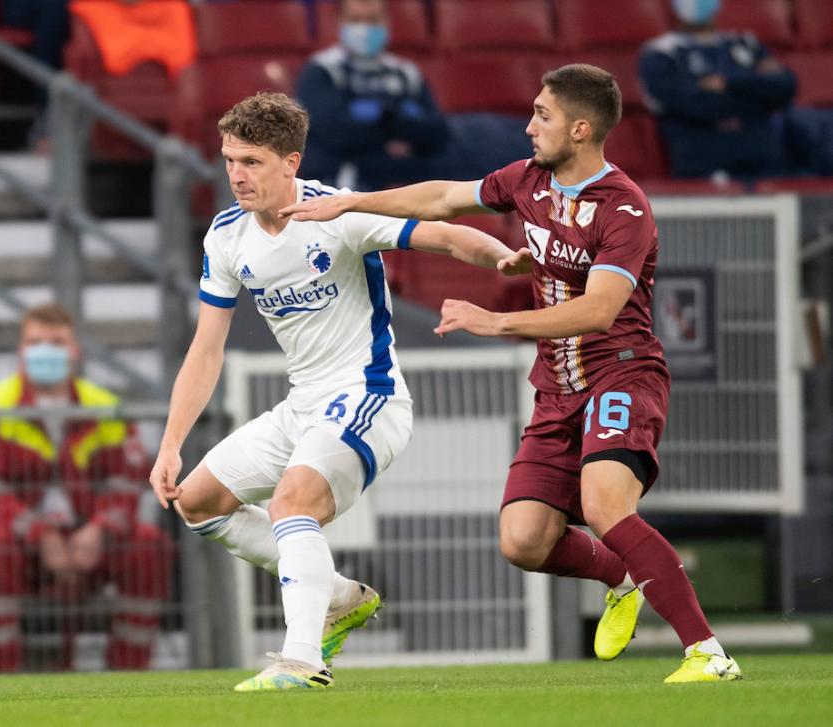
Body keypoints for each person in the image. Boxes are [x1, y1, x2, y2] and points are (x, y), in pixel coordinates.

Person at [281, 64, 742, 684]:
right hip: (556, 389)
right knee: (523, 542)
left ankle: (708, 653)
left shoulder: (625, 208)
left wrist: (496, 322)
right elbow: (443, 197)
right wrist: (351, 203)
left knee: (605, 504)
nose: (529, 126)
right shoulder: (529, 180)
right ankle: (621, 575)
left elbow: (600, 310)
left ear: (580, 130)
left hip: (621, 374)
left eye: (543, 115)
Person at [148, 92, 528, 691]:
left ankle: (302, 661)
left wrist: (505, 258)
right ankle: (340, 596)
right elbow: (206, 349)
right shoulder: (226, 236)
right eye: (229, 160)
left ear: (290, 163)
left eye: (251, 162)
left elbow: (446, 236)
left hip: (368, 395)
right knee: (196, 501)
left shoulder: (338, 214)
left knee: (292, 504)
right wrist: (171, 444)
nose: (236, 175)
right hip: (302, 405)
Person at [0, 303, 173, 672]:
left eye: (56, 343)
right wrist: (38, 533)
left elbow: (126, 480)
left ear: (75, 350)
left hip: (90, 537)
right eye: (35, 342)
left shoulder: (105, 406)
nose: (45, 351)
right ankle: (0, 678)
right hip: (18, 541)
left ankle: (129, 675)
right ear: (20, 351)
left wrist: (100, 529)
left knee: (149, 545)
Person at [296, 0, 448, 192]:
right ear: (339, 21)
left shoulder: (406, 73)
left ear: (387, 21)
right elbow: (335, 134)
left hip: (410, 182)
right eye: (356, 20)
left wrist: (380, 119)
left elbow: (437, 133)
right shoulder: (321, 71)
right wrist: (399, 125)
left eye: (373, 20)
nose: (364, 29)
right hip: (345, 186)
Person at [639, 0, 797, 179]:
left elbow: (784, 86)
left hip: (764, 162)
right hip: (702, 164)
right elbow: (685, 103)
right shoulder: (661, 52)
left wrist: (728, 84)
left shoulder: (745, 43)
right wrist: (757, 98)